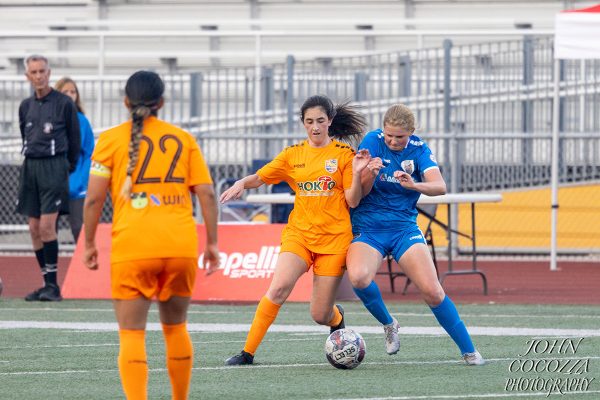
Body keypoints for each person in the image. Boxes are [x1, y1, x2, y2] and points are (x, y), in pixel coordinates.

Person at [82, 70, 220, 399]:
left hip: (134, 246)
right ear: (161, 102)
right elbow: (208, 194)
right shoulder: (184, 139)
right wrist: (212, 243)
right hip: (179, 244)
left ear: (126, 101)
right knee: (175, 328)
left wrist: (88, 243)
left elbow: (92, 199)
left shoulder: (110, 140)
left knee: (131, 335)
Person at [221, 95, 370, 366]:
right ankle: (247, 353)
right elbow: (261, 177)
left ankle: (336, 319)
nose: (315, 127)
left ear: (330, 122)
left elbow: (353, 200)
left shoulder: (343, 156)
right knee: (278, 288)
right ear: (303, 123)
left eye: (320, 121)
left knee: (319, 314)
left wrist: (358, 173)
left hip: (335, 240)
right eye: (309, 121)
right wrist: (242, 182)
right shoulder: (292, 155)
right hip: (299, 235)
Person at [346, 104, 485, 366]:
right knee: (359, 278)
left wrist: (414, 184)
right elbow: (355, 198)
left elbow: (439, 186)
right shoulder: (372, 141)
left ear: (411, 132)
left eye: (400, 136)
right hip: (369, 228)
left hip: (403, 229)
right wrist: (367, 174)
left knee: (433, 291)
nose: (393, 141)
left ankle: (469, 351)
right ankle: (389, 324)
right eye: (389, 135)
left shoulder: (420, 149)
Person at [17, 54, 81, 302]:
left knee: (46, 226)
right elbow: (25, 133)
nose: (39, 76)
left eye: (42, 71)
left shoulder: (64, 103)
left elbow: (74, 139)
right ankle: (46, 283)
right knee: (33, 228)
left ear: (49, 72)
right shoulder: (25, 105)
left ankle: (53, 286)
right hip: (30, 166)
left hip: (54, 167)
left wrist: (67, 166)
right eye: (34, 72)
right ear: (27, 76)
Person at [54, 77, 95, 243]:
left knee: (79, 227)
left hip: (77, 186)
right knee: (49, 229)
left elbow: (89, 153)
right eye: (66, 92)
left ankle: (84, 267)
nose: (70, 95)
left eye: (73, 92)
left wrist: (82, 180)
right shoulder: (51, 119)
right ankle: (50, 267)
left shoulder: (83, 121)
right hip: (53, 184)